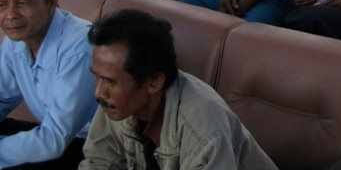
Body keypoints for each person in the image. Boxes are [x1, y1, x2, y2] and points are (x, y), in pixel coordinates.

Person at [81, 9, 276, 169]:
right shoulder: (117, 102)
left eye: (110, 82)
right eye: (96, 77)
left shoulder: (203, 127)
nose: (98, 92)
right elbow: (98, 162)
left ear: (153, 82)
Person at [0, 0, 97, 168]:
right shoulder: (16, 39)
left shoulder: (79, 46)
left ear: (52, 1)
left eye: (22, 3)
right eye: (1, 4)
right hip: (52, 135)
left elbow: (54, 140)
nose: (10, 15)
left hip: (87, 148)